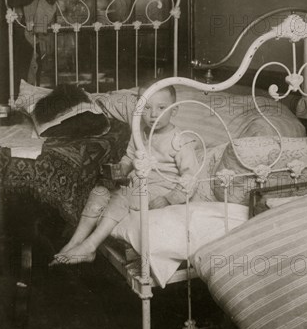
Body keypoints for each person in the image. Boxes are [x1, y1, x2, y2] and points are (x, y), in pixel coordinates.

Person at [51, 83, 200, 265]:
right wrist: (120, 169)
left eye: (161, 108)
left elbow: (191, 179)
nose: (153, 114)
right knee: (99, 192)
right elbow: (130, 158)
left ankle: (90, 246)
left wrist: (169, 199)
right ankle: (75, 241)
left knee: (121, 198)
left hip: (160, 188)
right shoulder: (141, 132)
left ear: (174, 110)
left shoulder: (180, 140)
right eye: (146, 107)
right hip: (138, 184)